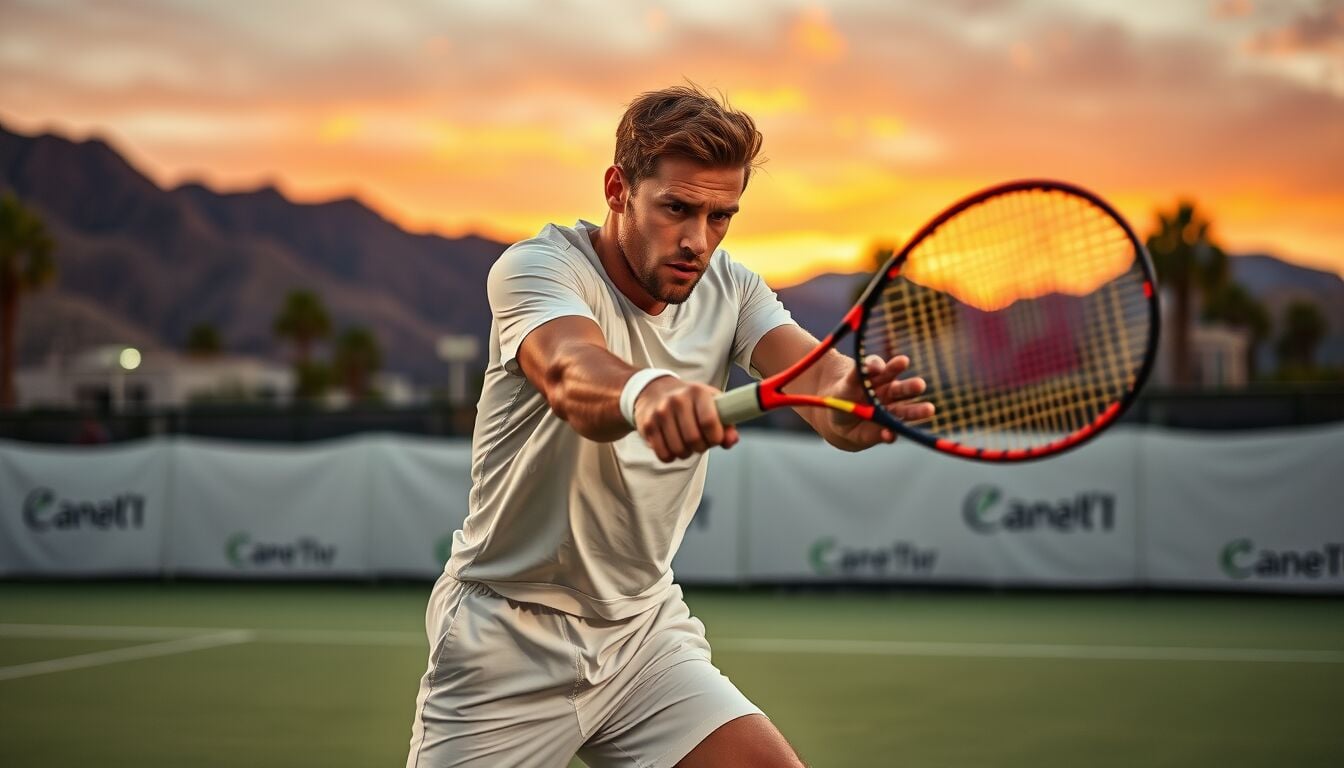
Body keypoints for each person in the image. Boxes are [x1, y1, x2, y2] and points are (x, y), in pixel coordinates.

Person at [406, 84, 932, 768]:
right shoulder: (538, 268)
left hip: (642, 633)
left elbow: (815, 374)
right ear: (617, 189)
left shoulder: (732, 288)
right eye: (677, 208)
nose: (698, 241)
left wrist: (847, 398)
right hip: (506, 635)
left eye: (720, 216)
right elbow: (570, 371)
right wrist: (648, 393)